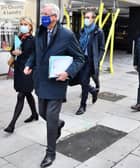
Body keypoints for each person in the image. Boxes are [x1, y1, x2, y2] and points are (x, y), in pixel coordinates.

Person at [24, 3, 85, 168]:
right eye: (42, 13)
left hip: (57, 83)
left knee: (50, 118)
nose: (42, 17)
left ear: (55, 17)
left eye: (45, 14)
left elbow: (80, 58)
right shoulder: (40, 31)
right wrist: (29, 64)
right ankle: (59, 124)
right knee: (43, 113)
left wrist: (68, 72)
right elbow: (35, 53)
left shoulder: (67, 35)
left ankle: (50, 153)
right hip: (40, 81)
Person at [4, 17, 38, 133]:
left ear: (30, 26)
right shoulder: (18, 38)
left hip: (28, 71)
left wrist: (30, 65)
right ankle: (34, 114)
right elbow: (12, 50)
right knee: (27, 93)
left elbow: (36, 56)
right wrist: (13, 52)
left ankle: (12, 124)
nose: (23, 26)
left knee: (21, 95)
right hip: (19, 69)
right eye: (21, 24)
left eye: (26, 24)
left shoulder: (33, 40)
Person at [76, 10, 105, 115]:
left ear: (94, 19)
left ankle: (82, 105)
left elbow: (102, 48)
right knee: (77, 80)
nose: (86, 19)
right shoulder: (82, 30)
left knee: (84, 82)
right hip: (80, 59)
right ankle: (93, 91)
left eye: (88, 17)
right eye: (85, 17)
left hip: (90, 61)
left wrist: (97, 60)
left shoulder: (99, 32)